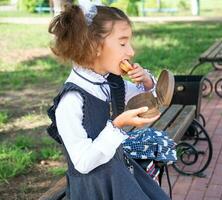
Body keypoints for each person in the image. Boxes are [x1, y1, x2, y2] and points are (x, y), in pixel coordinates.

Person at [46, 3, 171, 200]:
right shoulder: (71, 101)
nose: (130, 52)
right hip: (95, 189)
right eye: (122, 43)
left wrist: (147, 81)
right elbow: (83, 163)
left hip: (119, 173)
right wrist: (118, 126)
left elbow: (151, 101)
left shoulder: (111, 83)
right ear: (93, 46)